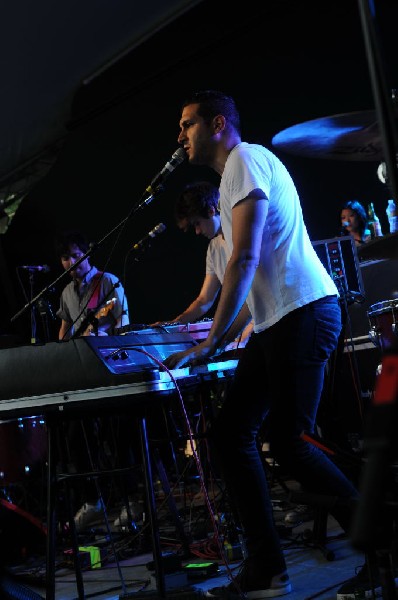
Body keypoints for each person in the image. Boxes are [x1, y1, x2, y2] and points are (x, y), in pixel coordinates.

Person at [161, 90, 371, 599]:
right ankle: (268, 569)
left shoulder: (245, 159)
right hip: (281, 320)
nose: (180, 136)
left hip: (303, 311)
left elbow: (245, 257)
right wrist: (217, 334)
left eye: (186, 125)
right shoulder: (235, 171)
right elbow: (243, 272)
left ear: (216, 124)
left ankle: (382, 543)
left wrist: (212, 341)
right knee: (232, 433)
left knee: (292, 442)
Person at [55, 230, 134, 532]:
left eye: (76, 255)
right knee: (76, 437)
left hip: (109, 370)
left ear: (87, 252)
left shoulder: (108, 282)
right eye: (66, 258)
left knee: (118, 435)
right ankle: (93, 500)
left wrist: (103, 337)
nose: (72, 262)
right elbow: (64, 331)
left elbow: (122, 324)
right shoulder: (65, 293)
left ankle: (128, 501)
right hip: (80, 374)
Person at [151, 180, 253, 351]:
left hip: (265, 323)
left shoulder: (243, 235)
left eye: (197, 223)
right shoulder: (214, 248)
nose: (197, 231)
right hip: (244, 330)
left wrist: (238, 337)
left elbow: (255, 297)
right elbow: (204, 300)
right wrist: (173, 324)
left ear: (211, 210)